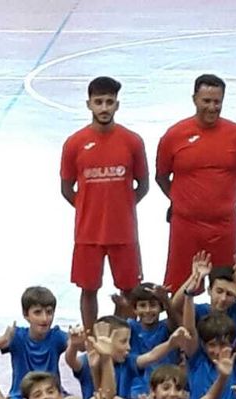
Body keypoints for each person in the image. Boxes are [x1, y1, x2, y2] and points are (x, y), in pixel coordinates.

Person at [61, 76, 150, 326]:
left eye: (109, 102)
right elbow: (66, 188)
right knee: (88, 288)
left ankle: (126, 334)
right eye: (98, 102)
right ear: (88, 104)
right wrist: (89, 208)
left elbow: (143, 185)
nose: (104, 108)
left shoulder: (132, 141)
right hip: (88, 233)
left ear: (117, 105)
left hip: (124, 232)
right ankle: (90, 337)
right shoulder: (74, 143)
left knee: (130, 289)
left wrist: (121, 207)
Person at [155, 74, 236, 287]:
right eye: (206, 101)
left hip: (224, 226)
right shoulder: (174, 135)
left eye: (217, 102)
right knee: (182, 286)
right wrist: (183, 201)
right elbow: (161, 177)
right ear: (194, 99)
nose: (212, 107)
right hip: (186, 226)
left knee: (227, 286)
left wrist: (219, 199)